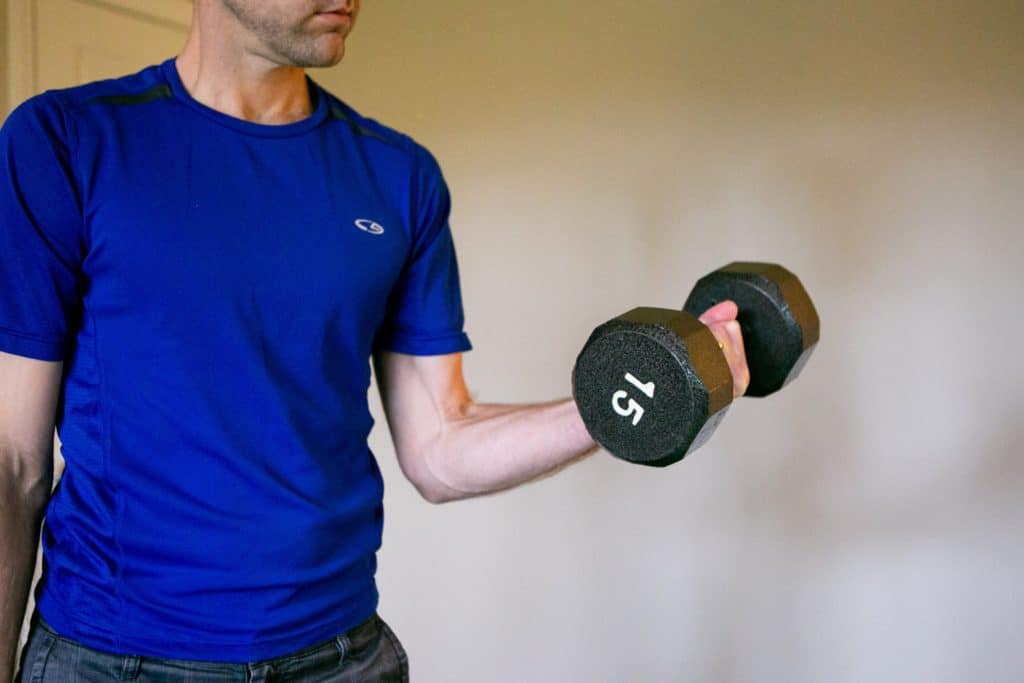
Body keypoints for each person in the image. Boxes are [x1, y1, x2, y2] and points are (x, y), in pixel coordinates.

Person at [0, 1, 750, 680]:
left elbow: (441, 447)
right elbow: (15, 462)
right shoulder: (66, 140)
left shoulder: (397, 176)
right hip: (113, 657)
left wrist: (622, 402)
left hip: (340, 657)